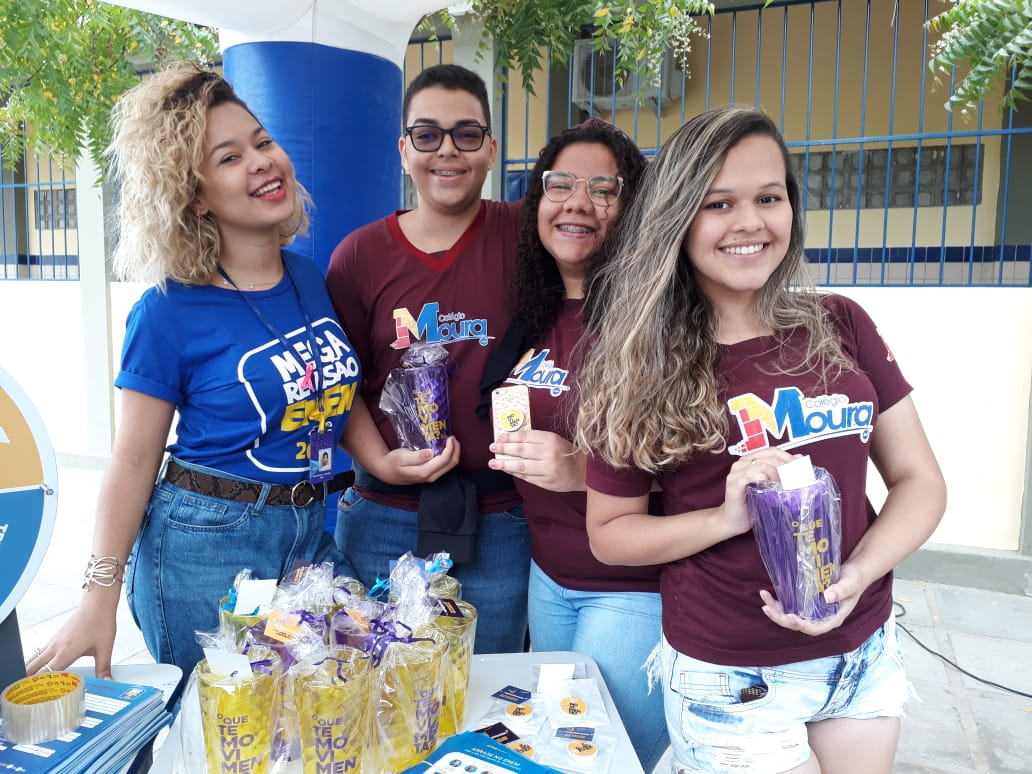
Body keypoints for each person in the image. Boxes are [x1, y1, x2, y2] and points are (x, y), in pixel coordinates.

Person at [576, 106, 947, 774]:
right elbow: (611, 533)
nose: (750, 222)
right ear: (679, 219)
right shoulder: (638, 359)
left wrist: (857, 578)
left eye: (768, 198)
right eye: (719, 203)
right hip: (734, 676)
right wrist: (723, 517)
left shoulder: (841, 323)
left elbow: (920, 481)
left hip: (861, 654)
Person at [25, 62, 361, 680]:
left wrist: (386, 460)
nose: (261, 161)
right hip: (208, 543)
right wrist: (98, 596)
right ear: (195, 194)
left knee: (322, 708)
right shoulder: (166, 310)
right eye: (229, 157)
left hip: (310, 532)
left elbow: (332, 391)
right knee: (219, 733)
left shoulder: (309, 278)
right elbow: (131, 461)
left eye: (263, 143)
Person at [483, 119, 669, 770]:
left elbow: (703, 470)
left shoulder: (659, 321)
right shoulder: (535, 314)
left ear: (635, 207)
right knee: (554, 755)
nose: (578, 202)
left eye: (603, 189)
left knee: (601, 761)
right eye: (559, 184)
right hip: (548, 576)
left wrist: (579, 470)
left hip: (632, 591)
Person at [326, 64, 528, 654]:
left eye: (467, 134)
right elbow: (343, 385)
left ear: (491, 149)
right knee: (373, 693)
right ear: (403, 149)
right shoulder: (360, 255)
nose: (448, 150)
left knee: (486, 689)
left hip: (501, 516)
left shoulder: (526, 238)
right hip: (383, 515)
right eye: (427, 134)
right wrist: (381, 461)